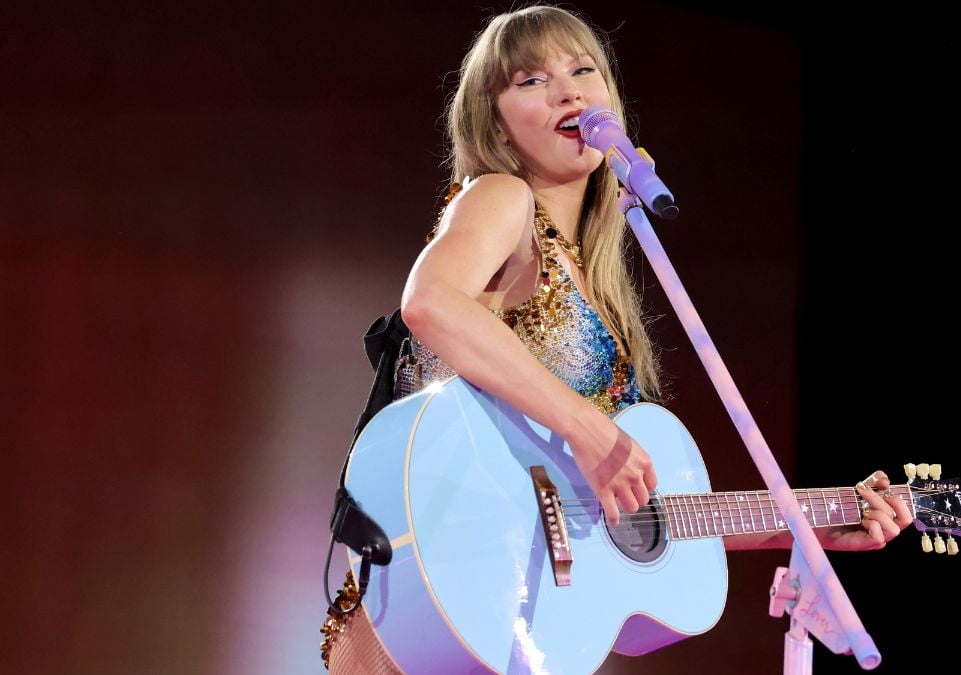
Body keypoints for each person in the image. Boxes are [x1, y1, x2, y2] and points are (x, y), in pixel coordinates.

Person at [322, 6, 913, 672]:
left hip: (519, 620)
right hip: (436, 598)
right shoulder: (500, 198)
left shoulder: (602, 282)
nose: (569, 90)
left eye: (583, 70)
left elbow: (630, 514)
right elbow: (431, 303)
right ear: (496, 122)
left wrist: (809, 525)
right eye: (531, 80)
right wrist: (587, 425)